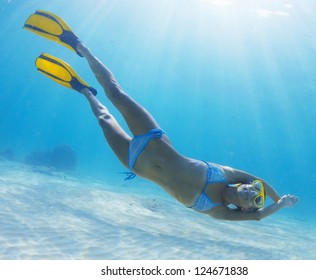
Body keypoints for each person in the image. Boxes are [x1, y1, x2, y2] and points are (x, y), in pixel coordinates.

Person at [24, 10, 298, 221]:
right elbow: (258, 179)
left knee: (104, 118)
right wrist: (277, 195)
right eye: (253, 190)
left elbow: (260, 216)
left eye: (253, 200)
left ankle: (83, 90)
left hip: (135, 163)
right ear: (244, 185)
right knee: (116, 93)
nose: (252, 194)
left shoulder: (218, 211)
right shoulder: (227, 174)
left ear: (242, 208)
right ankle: (79, 45)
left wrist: (278, 206)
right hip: (153, 139)